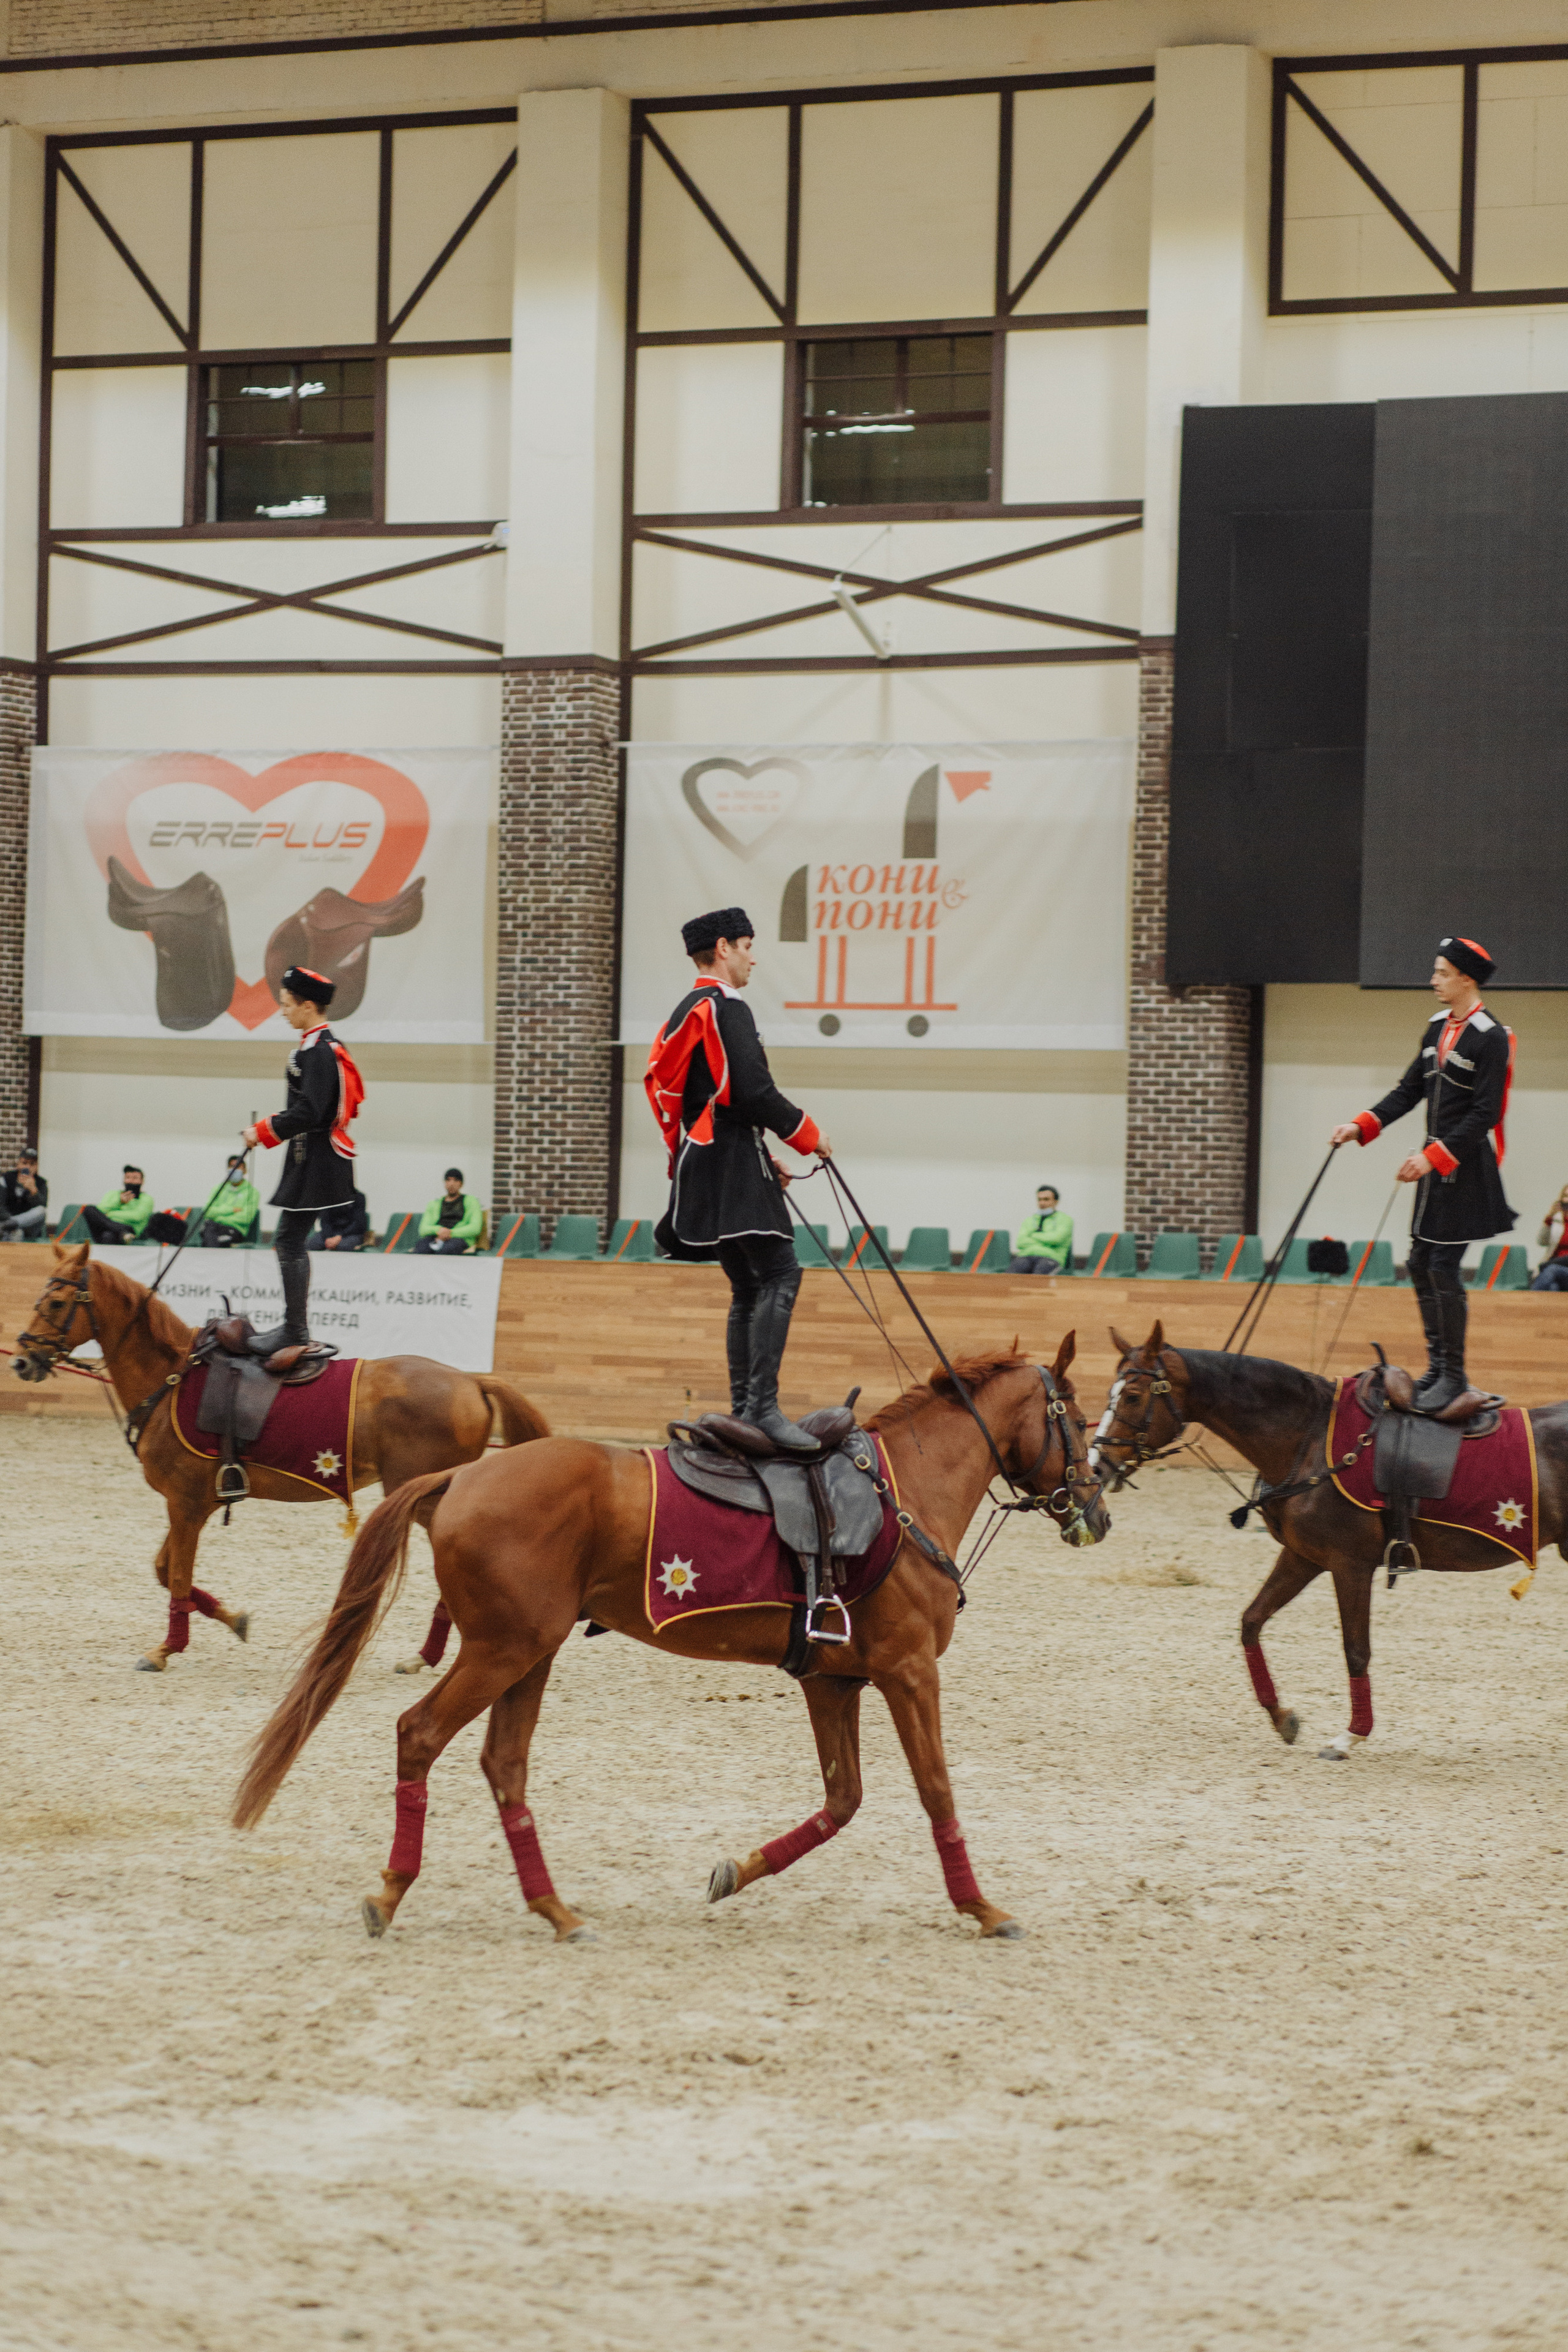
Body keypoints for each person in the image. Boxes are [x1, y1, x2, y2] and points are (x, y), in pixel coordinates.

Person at [646, 905, 831, 1453]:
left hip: (706, 1157)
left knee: (747, 1284)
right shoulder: (727, 1006)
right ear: (724, 948)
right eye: (748, 946)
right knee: (781, 1274)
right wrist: (805, 1133)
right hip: (729, 1154)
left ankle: (744, 1410)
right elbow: (750, 1089)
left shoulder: (687, 1007)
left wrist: (760, 1152)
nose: (754, 957)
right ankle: (764, 1411)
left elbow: (701, 1096)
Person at [1331, 935, 1515, 1415]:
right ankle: (1439, 1366)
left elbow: (1486, 1114)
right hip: (1435, 1170)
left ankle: (1455, 1376)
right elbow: (1407, 1091)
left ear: (1466, 978)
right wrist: (1361, 1124)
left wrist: (1433, 1158)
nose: (1433, 980)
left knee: (1442, 1267)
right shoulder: (1436, 1029)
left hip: (1466, 1168)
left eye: (1441, 973)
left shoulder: (1491, 1036)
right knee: (1419, 1264)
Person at [241, 965, 365, 1356]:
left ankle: (295, 1331)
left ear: (308, 1005)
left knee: (288, 1241)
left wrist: (262, 1131)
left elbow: (310, 1111)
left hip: (316, 1157)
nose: (283, 1013)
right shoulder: (320, 1047)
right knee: (289, 1240)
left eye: (287, 1005)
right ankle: (294, 1327)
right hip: (311, 1156)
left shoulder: (318, 1053)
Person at [83, 1165, 156, 1246]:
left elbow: (137, 1216)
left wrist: (109, 1215)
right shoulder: (113, 1194)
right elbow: (100, 1210)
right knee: (88, 1209)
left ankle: (123, 1233)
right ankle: (122, 1232)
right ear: (124, 1180)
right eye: (128, 1178)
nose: (131, 1181)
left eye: (135, 1178)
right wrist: (119, 1201)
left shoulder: (147, 1199)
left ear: (142, 1181)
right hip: (107, 1229)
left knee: (108, 1236)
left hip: (129, 1229)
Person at [1009, 1184, 1073, 1275]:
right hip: (1026, 1256)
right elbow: (1020, 1242)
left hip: (1051, 1258)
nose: (1042, 1203)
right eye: (1039, 1200)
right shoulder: (1029, 1220)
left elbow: (1056, 1239)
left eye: (1046, 1199)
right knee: (1010, 1277)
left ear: (1056, 1201)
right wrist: (1046, 1241)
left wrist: (1033, 1235)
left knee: (1039, 1278)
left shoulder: (1065, 1219)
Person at [415, 1169, 482, 1254]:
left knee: (445, 1251)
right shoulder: (434, 1204)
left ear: (461, 1184)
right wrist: (439, 1231)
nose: (451, 1184)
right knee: (421, 1249)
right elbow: (423, 1230)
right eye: (448, 1180)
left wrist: (450, 1233)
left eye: (456, 1180)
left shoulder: (471, 1201)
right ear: (445, 1183)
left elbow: (475, 1228)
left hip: (459, 1238)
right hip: (436, 1237)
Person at [201, 1154, 260, 1248]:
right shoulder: (218, 1189)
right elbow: (207, 1212)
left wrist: (219, 1218)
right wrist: (231, 1210)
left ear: (245, 1170)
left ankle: (211, 1255)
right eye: (232, 1166)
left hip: (235, 1230)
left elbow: (246, 1218)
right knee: (211, 1231)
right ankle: (213, 1253)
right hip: (214, 1227)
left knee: (212, 1239)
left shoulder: (252, 1192)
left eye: (238, 1166)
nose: (235, 1169)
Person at [0, 1145, 47, 1241]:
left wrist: (34, 1191)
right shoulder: (6, 1178)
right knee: (17, 1233)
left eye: (32, 1164)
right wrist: (10, 1221)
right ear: (18, 1164)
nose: (28, 1167)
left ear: (37, 1166)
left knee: (41, 1210)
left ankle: (11, 1225)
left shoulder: (41, 1183)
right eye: (24, 1163)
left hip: (29, 1227)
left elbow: (42, 1208)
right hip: (6, 1223)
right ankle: (11, 1226)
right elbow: (1, 1205)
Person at [308, 1186, 369, 1253]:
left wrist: (339, 1236)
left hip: (350, 1234)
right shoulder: (328, 1197)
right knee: (312, 1244)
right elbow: (325, 1220)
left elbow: (359, 1223)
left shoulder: (359, 1197)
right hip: (331, 1232)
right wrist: (329, 1237)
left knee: (343, 1246)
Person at [1532, 1183, 1568, 1292]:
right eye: (1565, 1196)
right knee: (1553, 1288)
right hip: (1554, 1266)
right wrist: (1549, 1218)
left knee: (1551, 1269)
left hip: (1555, 1267)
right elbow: (1542, 1242)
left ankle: (1530, 1301)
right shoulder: (1557, 1220)